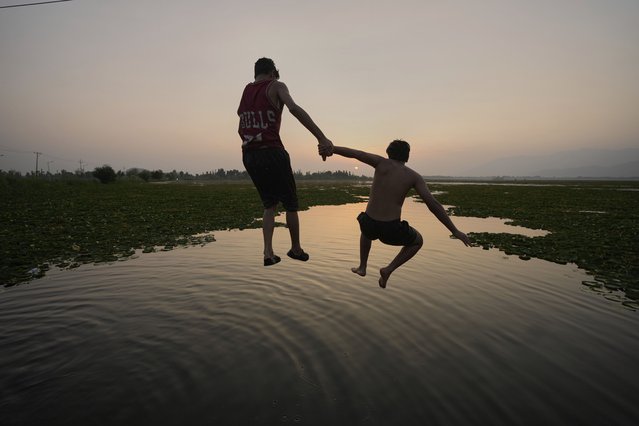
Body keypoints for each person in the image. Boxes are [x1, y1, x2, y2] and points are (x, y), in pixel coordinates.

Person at [323, 140, 471, 288]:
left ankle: (362, 267)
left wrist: (332, 148)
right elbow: (433, 204)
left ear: (388, 152)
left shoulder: (381, 163)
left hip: (370, 224)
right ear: (407, 157)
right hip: (390, 228)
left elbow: (357, 154)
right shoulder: (414, 176)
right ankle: (388, 269)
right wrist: (455, 231)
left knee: (365, 225)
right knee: (418, 241)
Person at [238, 57, 333, 266]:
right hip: (272, 151)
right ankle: (296, 248)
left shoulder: (246, 91)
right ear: (272, 73)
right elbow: (294, 109)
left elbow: (240, 126)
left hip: (249, 155)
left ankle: (268, 253)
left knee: (269, 204)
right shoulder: (276, 85)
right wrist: (321, 137)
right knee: (290, 204)